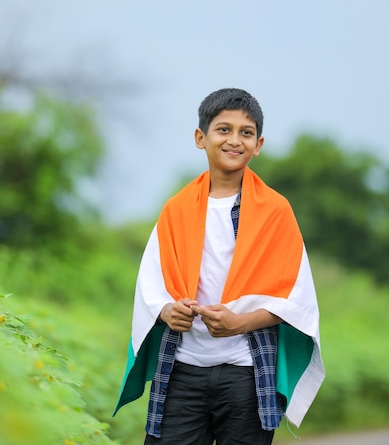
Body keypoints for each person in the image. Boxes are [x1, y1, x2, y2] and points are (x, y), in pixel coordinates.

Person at [114, 88, 325, 444]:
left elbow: (294, 298)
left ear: (258, 144)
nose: (234, 140)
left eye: (246, 132)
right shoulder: (176, 209)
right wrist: (168, 310)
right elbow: (151, 285)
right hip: (182, 369)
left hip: (247, 373)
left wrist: (241, 322)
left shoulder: (276, 211)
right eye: (223, 129)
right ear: (201, 138)